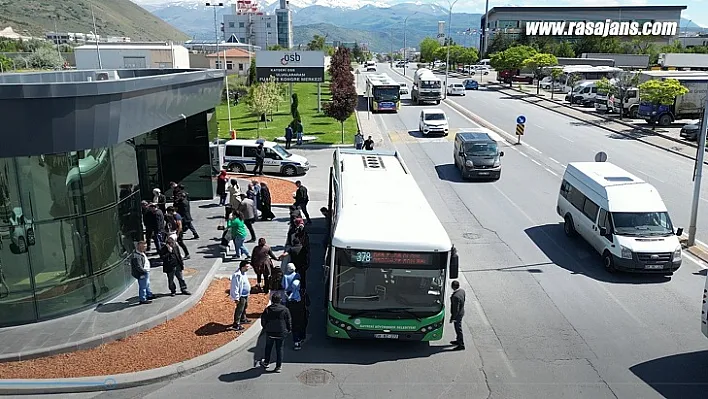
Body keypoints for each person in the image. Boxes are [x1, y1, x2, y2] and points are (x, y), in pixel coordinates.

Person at [258, 292, 291, 373]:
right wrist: (288, 329)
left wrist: (266, 328)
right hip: (281, 333)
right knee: (279, 349)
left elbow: (263, 321)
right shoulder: (285, 310)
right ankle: (278, 366)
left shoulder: (268, 310)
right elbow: (288, 321)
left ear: (272, 300)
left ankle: (266, 362)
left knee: (268, 347)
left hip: (270, 333)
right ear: (280, 300)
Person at [282, 263, 306, 350]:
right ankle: (301, 337)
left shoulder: (285, 277)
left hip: (290, 303)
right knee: (301, 322)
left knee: (293, 323)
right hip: (299, 308)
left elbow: (284, 287)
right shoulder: (301, 295)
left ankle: (296, 340)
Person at [229, 260, 252, 331]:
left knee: (245, 306)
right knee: (239, 309)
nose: (249, 268)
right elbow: (234, 287)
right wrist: (236, 298)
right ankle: (236, 324)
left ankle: (243, 318)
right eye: (247, 266)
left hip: (245, 294)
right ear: (243, 267)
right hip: (241, 295)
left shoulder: (244, 273)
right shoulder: (237, 275)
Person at [450, 280, 466, 351]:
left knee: (458, 328)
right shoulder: (462, 291)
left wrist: (453, 318)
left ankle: (461, 344)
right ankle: (458, 340)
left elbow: (455, 309)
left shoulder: (455, 296)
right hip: (461, 312)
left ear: (452, 287)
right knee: (458, 328)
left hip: (458, 315)